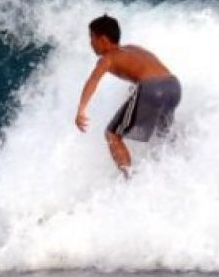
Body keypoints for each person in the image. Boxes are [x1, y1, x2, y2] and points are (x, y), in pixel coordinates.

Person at [75, 15, 181, 176]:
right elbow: (149, 72)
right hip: (173, 86)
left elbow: (93, 80)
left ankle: (130, 180)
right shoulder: (135, 48)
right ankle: (179, 164)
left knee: (112, 134)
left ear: (103, 39)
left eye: (92, 38)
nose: (91, 44)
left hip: (151, 89)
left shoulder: (107, 59)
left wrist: (81, 109)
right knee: (164, 133)